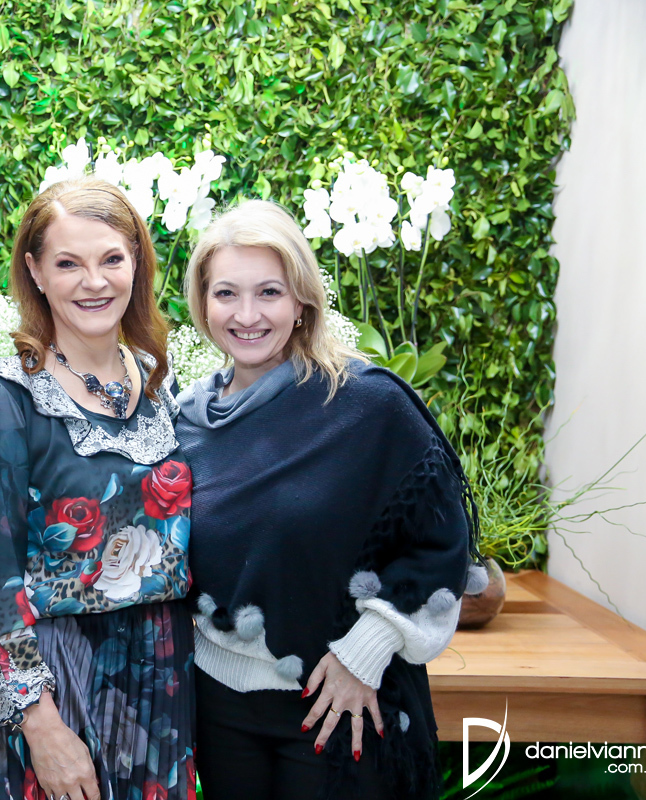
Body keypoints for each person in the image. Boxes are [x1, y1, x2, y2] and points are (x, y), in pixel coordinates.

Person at [174, 200, 485, 800]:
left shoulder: (367, 404)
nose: (246, 315)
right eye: (226, 293)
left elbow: (441, 545)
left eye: (269, 292)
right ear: (203, 303)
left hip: (339, 698)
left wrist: (364, 652)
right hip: (218, 707)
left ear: (301, 302)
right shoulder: (186, 421)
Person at [0, 177, 197, 800]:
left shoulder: (159, 384)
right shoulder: (7, 397)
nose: (94, 282)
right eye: (68, 264)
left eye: (111, 259)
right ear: (35, 271)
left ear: (136, 263)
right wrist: (39, 724)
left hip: (165, 670)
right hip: (61, 678)